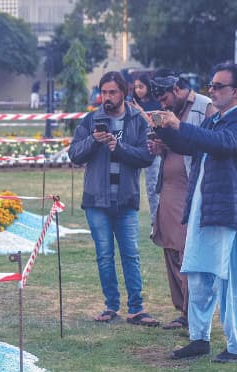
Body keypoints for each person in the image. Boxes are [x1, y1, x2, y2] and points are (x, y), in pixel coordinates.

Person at [152, 62, 237, 362]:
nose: (211, 90)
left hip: (227, 214)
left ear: (235, 91)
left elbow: (223, 145)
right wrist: (167, 130)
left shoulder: (231, 125)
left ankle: (235, 345)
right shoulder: (215, 121)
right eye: (211, 85)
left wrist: (179, 126)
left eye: (218, 86)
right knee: (199, 276)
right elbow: (192, 144)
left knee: (228, 282)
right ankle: (199, 338)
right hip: (202, 210)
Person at [68, 71, 158, 326]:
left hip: (126, 199)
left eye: (112, 92)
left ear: (123, 93)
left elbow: (146, 156)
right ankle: (111, 306)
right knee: (104, 255)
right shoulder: (91, 120)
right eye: (103, 92)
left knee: (131, 254)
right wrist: (93, 141)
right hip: (96, 200)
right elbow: (74, 154)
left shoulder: (137, 120)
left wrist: (119, 148)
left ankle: (137, 308)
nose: (106, 97)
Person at [148, 70, 216, 331]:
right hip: (167, 184)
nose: (163, 104)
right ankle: (182, 311)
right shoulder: (168, 110)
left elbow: (210, 143)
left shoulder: (204, 106)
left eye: (165, 98)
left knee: (185, 249)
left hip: (191, 184)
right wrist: (160, 146)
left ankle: (192, 313)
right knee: (168, 246)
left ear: (176, 89)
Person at [128, 73, 163, 225]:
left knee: (153, 187)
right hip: (134, 148)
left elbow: (156, 125)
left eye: (141, 87)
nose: (138, 90)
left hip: (152, 148)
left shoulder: (157, 104)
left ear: (148, 87)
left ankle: (156, 222)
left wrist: (141, 112)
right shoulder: (130, 103)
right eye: (136, 87)